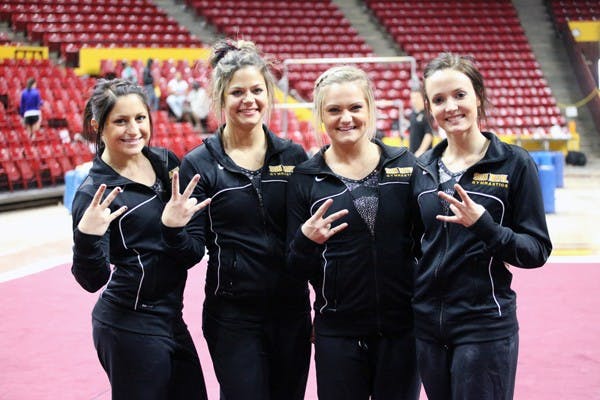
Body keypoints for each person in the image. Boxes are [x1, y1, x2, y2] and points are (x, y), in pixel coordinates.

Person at [163, 39, 312, 400]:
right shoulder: (199, 163)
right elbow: (190, 253)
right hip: (233, 315)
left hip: (291, 310)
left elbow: (309, 239)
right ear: (220, 99)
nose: (249, 100)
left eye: (257, 90)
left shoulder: (293, 155)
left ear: (269, 94)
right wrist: (172, 229)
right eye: (237, 92)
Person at [410, 52, 553, 400]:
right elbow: (413, 247)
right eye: (439, 99)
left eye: (460, 95)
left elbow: (536, 250)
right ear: (430, 109)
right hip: (428, 327)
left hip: (485, 324)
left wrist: (485, 228)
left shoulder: (514, 163)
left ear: (478, 96)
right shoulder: (421, 168)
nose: (451, 107)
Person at [70, 78, 211, 400]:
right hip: (128, 323)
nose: (133, 129)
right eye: (120, 121)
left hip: (171, 317)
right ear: (97, 126)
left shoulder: (165, 163)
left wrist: (175, 230)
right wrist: (87, 237)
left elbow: (189, 254)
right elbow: (92, 280)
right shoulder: (94, 194)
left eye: (139, 118)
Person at [286, 65, 421, 400]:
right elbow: (291, 266)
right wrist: (305, 240)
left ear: (370, 109)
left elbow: (428, 242)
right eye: (334, 110)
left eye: (355, 108)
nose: (345, 118)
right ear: (320, 114)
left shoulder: (406, 165)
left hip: (402, 330)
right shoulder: (305, 178)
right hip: (338, 333)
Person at [408, 86, 433, 156]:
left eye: (416, 97)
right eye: (412, 98)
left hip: (424, 155)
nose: (414, 100)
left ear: (422, 98)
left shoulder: (427, 114)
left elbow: (428, 135)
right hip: (413, 153)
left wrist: (420, 151)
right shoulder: (413, 114)